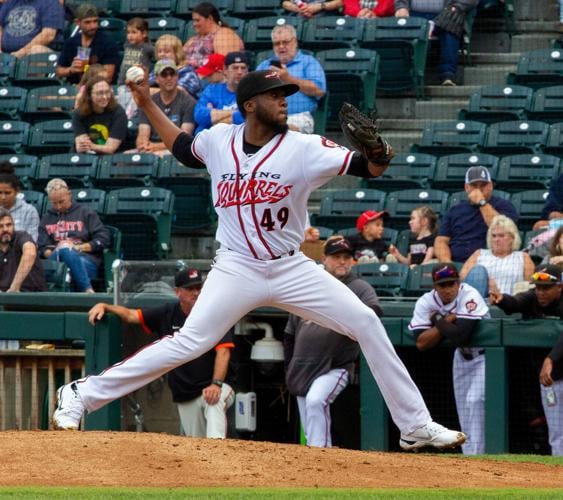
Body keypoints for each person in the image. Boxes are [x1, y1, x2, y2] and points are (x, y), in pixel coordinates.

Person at [53, 69, 466, 454]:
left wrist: (379, 152)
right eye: (275, 95)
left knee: (365, 321)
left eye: (286, 94)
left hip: (292, 267)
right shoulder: (218, 140)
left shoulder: (304, 148)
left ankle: (414, 425)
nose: (285, 101)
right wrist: (145, 103)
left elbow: (368, 168)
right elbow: (181, 147)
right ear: (250, 104)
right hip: (237, 267)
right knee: (189, 342)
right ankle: (80, 394)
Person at [88, 268, 235, 439]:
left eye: (198, 288)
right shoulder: (167, 313)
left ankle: (219, 453)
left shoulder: (212, 313)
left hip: (216, 386)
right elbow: (131, 316)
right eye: (190, 289)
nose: (196, 293)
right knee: (198, 442)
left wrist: (216, 384)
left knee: (214, 402)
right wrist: (105, 306)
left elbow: (223, 351)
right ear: (177, 292)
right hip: (186, 394)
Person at [284, 236, 383, 447]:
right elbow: (290, 334)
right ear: (324, 258)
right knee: (309, 424)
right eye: (337, 256)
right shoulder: (309, 287)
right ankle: (316, 463)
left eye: (347, 257)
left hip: (335, 366)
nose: (342, 261)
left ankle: (321, 459)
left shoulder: (358, 287)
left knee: (316, 401)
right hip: (302, 367)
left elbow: (373, 313)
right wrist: (289, 368)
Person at [409, 263, 489, 454]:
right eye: (442, 285)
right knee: (463, 408)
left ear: (458, 283)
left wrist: (436, 320)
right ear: (434, 286)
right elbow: (421, 343)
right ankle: (469, 455)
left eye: (451, 284)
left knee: (474, 402)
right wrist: (446, 322)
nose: (447, 289)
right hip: (461, 357)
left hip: (484, 357)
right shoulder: (426, 301)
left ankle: (478, 456)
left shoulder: (469, 295)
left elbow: (462, 335)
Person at [490, 264, 563, 455]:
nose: (541, 292)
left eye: (546, 288)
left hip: (553, 368)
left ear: (560, 287)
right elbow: (516, 302)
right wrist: (502, 300)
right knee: (557, 432)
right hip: (549, 379)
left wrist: (550, 359)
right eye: (538, 287)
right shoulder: (533, 298)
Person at [434, 166, 519, 264]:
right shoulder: (454, 210)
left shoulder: (504, 206)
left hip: (490, 261)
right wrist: (447, 262)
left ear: (491, 186)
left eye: (483, 185)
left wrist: (482, 203)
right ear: (466, 187)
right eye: (474, 185)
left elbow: (501, 228)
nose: (479, 190)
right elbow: (441, 241)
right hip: (455, 262)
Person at [38, 178, 109, 293]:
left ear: (69, 195)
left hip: (85, 260)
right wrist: (58, 252)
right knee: (64, 253)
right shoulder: (47, 217)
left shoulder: (85, 212)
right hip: (56, 262)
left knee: (67, 256)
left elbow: (103, 239)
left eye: (61, 202)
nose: (58, 207)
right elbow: (42, 247)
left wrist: (77, 248)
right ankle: (87, 290)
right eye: (54, 203)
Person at [256, 24, 326, 134]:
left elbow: (319, 91)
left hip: (299, 116)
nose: (281, 46)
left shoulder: (308, 62)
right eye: (277, 43)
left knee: (282, 130)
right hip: (269, 116)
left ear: (295, 42)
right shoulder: (264, 65)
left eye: (285, 42)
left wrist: (288, 79)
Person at [394, 0, 479, 86]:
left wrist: (457, 6)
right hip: (414, 15)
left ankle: (448, 74)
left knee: (450, 29)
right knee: (403, 24)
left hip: (446, 13)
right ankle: (407, 74)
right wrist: (402, 7)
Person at [459, 215, 535, 297]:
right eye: (494, 236)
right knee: (478, 271)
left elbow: (530, 286)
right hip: (482, 300)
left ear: (512, 238)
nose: (496, 239)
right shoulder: (479, 254)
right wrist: (485, 280)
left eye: (501, 236)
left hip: (511, 303)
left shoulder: (523, 257)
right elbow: (462, 279)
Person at [135, 59, 196, 156]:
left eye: (172, 74)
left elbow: (184, 139)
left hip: (176, 150)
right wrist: (144, 145)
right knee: (125, 159)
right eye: (164, 74)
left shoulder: (188, 101)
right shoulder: (149, 102)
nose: (169, 78)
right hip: (150, 149)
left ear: (177, 76)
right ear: (156, 79)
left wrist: (155, 147)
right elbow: (143, 134)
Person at [56, 4, 120, 84]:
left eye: (95, 21)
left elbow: (108, 76)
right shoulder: (70, 43)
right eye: (87, 22)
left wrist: (85, 83)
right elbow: (59, 71)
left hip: (99, 88)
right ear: (77, 22)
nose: (92, 26)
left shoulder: (108, 43)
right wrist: (70, 70)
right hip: (74, 88)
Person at [194, 51, 249, 133]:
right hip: (211, 140)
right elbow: (199, 116)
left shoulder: (252, 92)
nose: (239, 72)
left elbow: (248, 119)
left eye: (243, 68)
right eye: (235, 68)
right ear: (225, 70)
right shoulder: (212, 90)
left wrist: (214, 116)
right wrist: (235, 113)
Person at [72, 75, 128, 155]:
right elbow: (81, 146)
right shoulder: (79, 113)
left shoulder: (119, 113)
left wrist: (91, 146)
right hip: (86, 157)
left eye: (107, 92)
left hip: (110, 160)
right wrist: (88, 146)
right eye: (100, 93)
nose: (105, 97)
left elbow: (110, 148)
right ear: (89, 95)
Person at [183, 2, 244, 70]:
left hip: (207, 78)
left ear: (210, 19)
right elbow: (179, 58)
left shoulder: (224, 34)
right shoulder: (193, 39)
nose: (194, 24)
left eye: (197, 20)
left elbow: (225, 66)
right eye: (193, 21)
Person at [116, 17, 154, 119]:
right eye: (128, 33)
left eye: (134, 32)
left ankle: (127, 120)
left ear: (144, 34)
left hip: (137, 85)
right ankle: (123, 120)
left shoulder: (147, 48)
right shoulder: (127, 45)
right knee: (122, 105)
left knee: (133, 107)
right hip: (123, 83)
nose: (130, 36)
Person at [0, 208, 46, 292]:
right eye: (1, 226)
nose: (5, 229)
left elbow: (30, 253)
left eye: (9, 225)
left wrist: (15, 287)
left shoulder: (21, 236)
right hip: (4, 298)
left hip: (30, 296)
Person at [0, 0, 64, 58]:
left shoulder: (51, 3)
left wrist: (23, 51)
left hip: (32, 54)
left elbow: (48, 35)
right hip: (6, 54)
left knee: (37, 50)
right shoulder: (10, 3)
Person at [149, 34, 201, 100]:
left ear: (177, 54)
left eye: (167, 51)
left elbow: (176, 93)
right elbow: (145, 86)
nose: (162, 54)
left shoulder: (187, 71)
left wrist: (149, 91)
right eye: (159, 51)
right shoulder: (156, 70)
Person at [0, 162, 40, 241]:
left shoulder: (29, 211)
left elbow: (32, 240)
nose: (3, 197)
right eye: (0, 193)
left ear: (17, 191)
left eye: (7, 193)